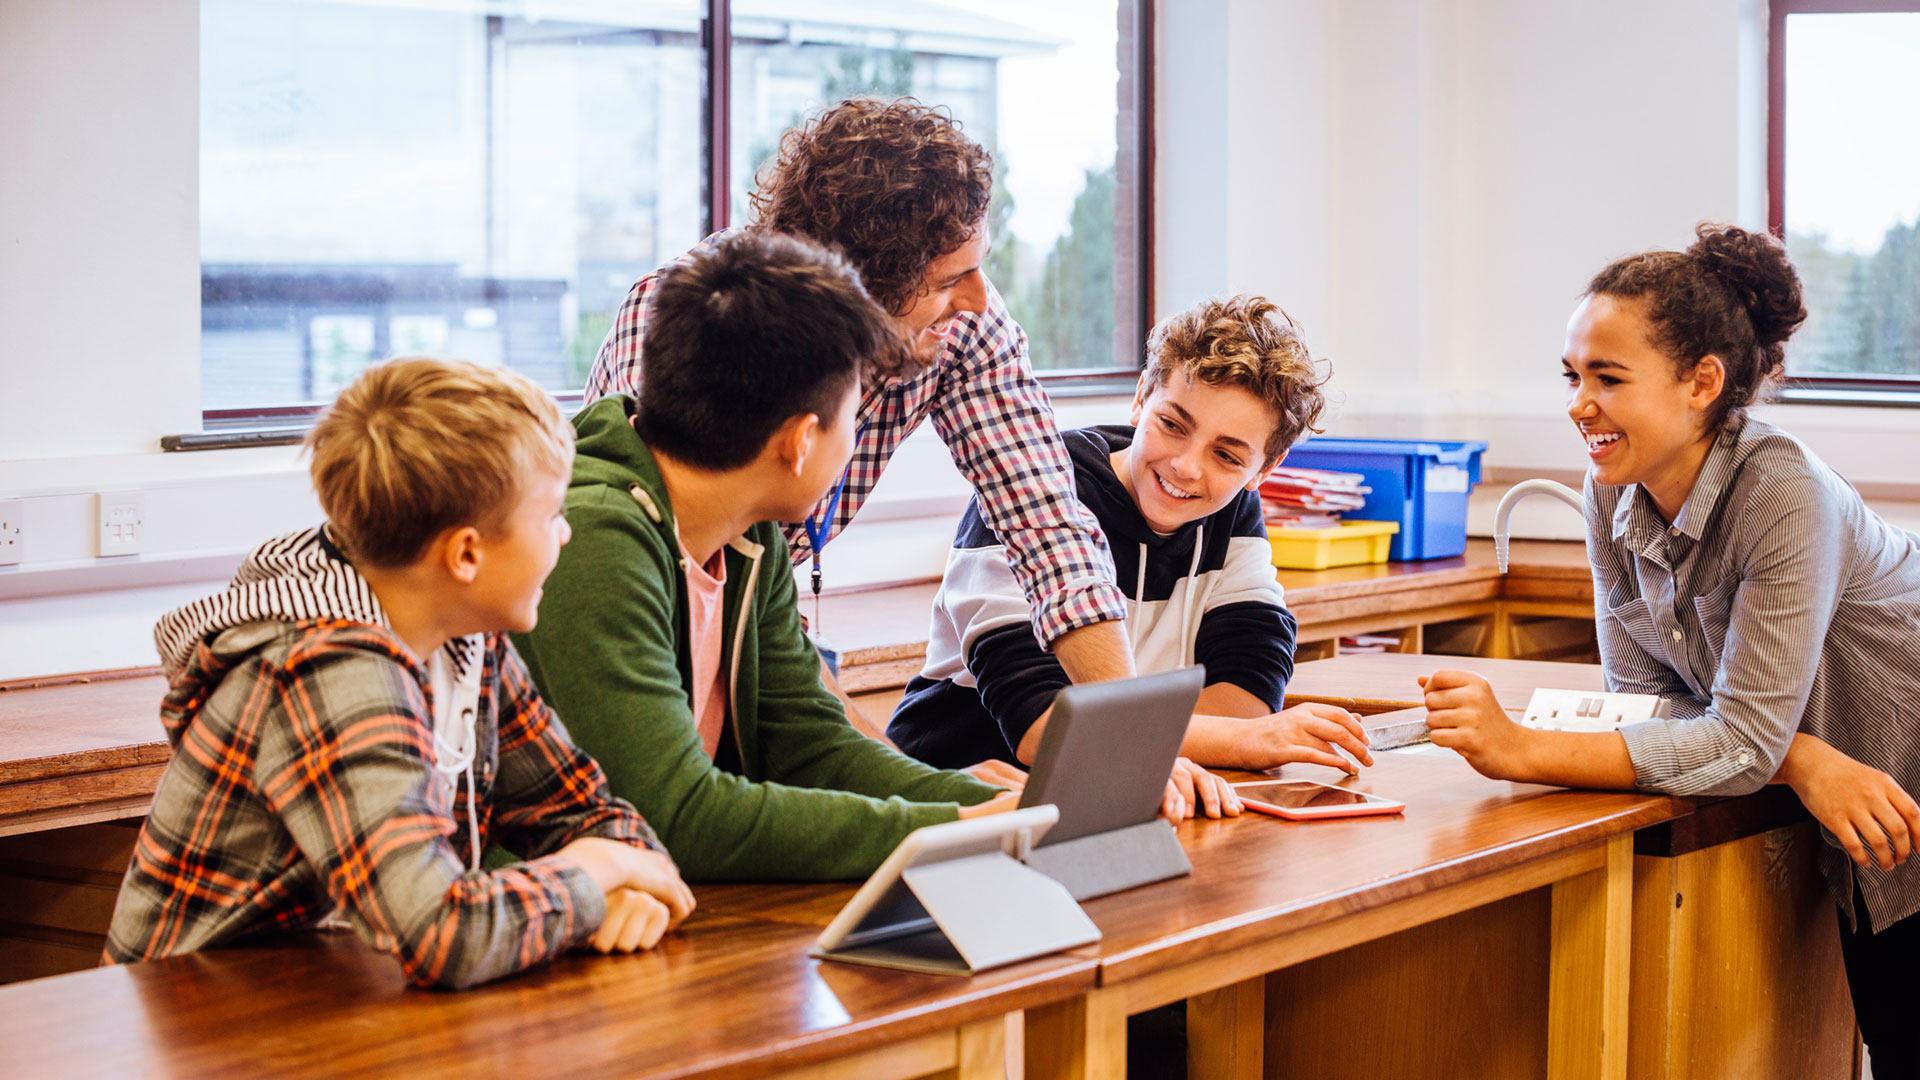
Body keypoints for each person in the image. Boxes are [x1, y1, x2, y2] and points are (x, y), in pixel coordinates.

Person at [1419, 224, 1920, 1073]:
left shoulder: (1782, 490)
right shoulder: (1612, 488)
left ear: (1701, 382)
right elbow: (1647, 709)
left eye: (1608, 378)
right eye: (1573, 376)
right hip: (1861, 810)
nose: (1580, 403)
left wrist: (1520, 748)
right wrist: (1796, 756)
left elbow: (1732, 737)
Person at [106, 358, 694, 990]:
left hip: (343, 1002)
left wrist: (620, 878)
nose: (567, 533)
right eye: (551, 515)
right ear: (466, 554)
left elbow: (587, 812)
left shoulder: (469, 636)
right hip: (201, 1026)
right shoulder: (326, 671)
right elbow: (444, 935)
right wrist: (594, 877)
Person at [585, 97, 1137, 745]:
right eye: (948, 279)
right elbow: (667, 565)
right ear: (858, 292)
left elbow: (1050, 529)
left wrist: (1127, 741)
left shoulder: (963, 325)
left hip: (758, 622)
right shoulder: (697, 320)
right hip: (637, 634)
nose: (979, 299)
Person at [515, 231, 1021, 883]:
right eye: (851, 413)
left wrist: (1000, 808)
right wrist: (946, 830)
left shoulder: (749, 531)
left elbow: (810, 741)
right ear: (801, 442)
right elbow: (676, 818)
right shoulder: (593, 542)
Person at [889, 296, 1373, 814]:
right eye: (1173, 424)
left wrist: (1161, 739)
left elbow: (1247, 696)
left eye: (1227, 455)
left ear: (1263, 469)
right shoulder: (1035, 492)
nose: (1187, 467)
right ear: (1142, 396)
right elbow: (1039, 725)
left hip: (1114, 794)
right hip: (952, 797)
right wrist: (1232, 742)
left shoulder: (1233, 512)